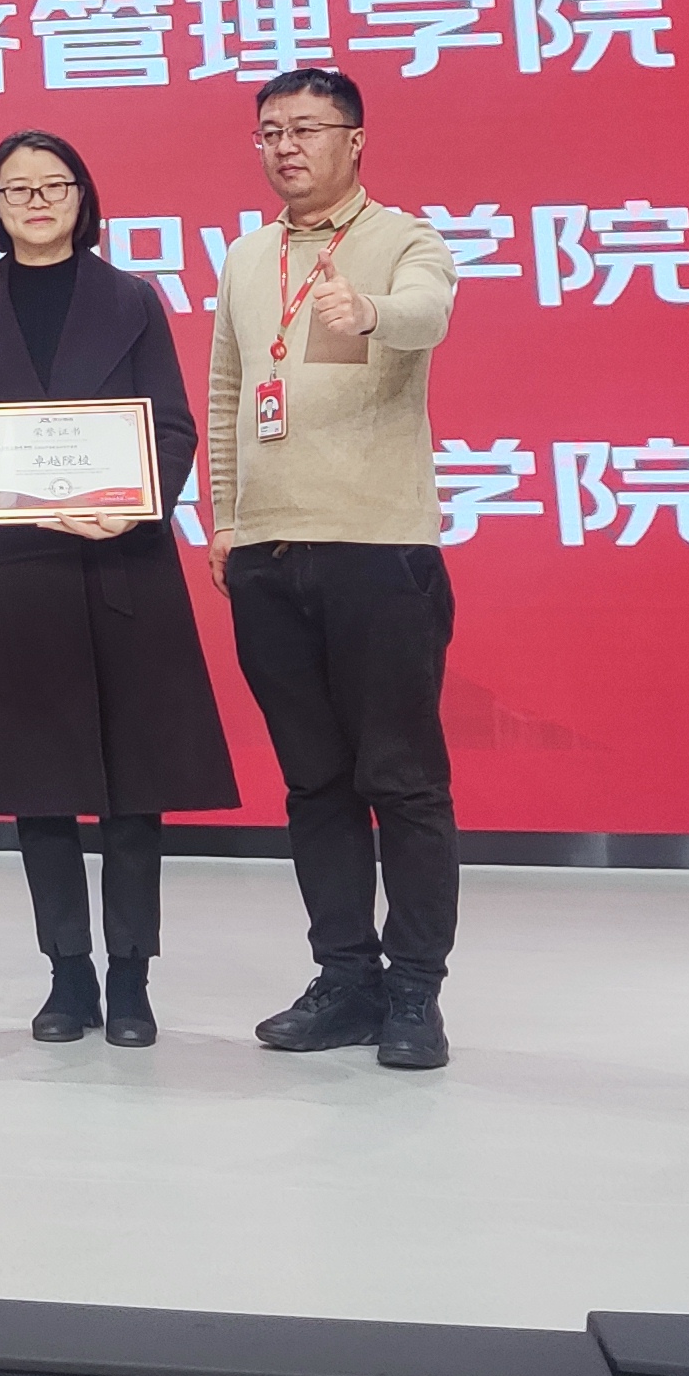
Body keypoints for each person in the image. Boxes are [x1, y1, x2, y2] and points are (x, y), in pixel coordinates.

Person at [0, 129, 238, 1049]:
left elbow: (173, 428)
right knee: (40, 784)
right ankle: (67, 973)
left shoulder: (131, 299)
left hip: (121, 562)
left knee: (133, 788)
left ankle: (130, 976)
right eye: (15, 189)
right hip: (18, 570)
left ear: (81, 196)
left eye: (52, 185)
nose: (35, 201)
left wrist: (134, 507)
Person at [205, 68, 464, 1072]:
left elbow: (429, 313)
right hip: (267, 554)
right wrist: (227, 520)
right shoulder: (247, 256)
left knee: (401, 781)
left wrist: (373, 313)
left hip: (377, 550)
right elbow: (228, 387)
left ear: (354, 140)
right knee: (313, 784)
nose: (286, 147)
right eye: (270, 131)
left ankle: (415, 991)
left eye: (306, 129)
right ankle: (344, 980)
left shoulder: (403, 240)